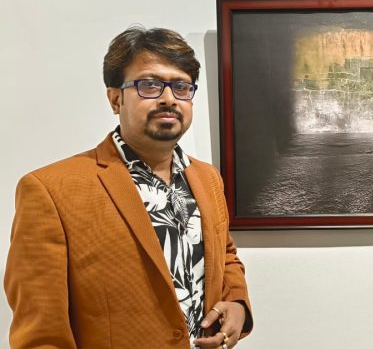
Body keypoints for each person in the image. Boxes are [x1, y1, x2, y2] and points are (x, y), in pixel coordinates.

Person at [4, 27, 252, 349]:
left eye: (181, 87)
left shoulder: (207, 178)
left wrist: (237, 303)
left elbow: (225, 255)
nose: (168, 98)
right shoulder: (49, 191)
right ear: (115, 98)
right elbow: (40, 335)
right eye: (150, 85)